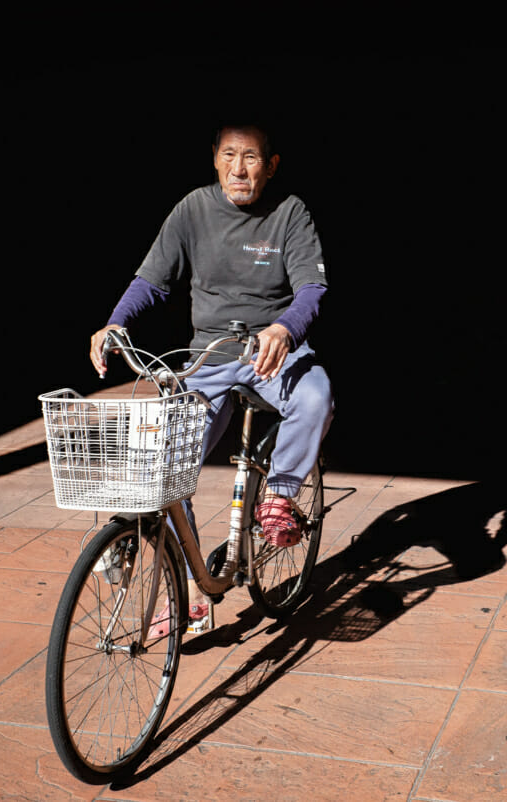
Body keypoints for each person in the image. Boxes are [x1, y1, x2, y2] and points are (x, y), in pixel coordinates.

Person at [89, 122, 333, 627]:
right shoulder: (193, 209)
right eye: (229, 156)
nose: (239, 169)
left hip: (272, 354)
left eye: (250, 158)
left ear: (271, 165)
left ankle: (280, 496)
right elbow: (151, 279)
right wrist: (116, 321)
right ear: (215, 160)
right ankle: (190, 587)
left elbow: (311, 289)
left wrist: (284, 329)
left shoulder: (290, 213)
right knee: (166, 468)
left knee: (316, 397)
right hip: (209, 358)